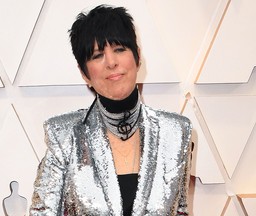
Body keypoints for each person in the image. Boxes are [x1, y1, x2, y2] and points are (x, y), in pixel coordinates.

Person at [30, 4, 192, 216]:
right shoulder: (64, 136)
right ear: (84, 73)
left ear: (138, 56)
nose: (112, 62)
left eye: (119, 49)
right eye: (97, 55)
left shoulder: (176, 132)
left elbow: (180, 211)